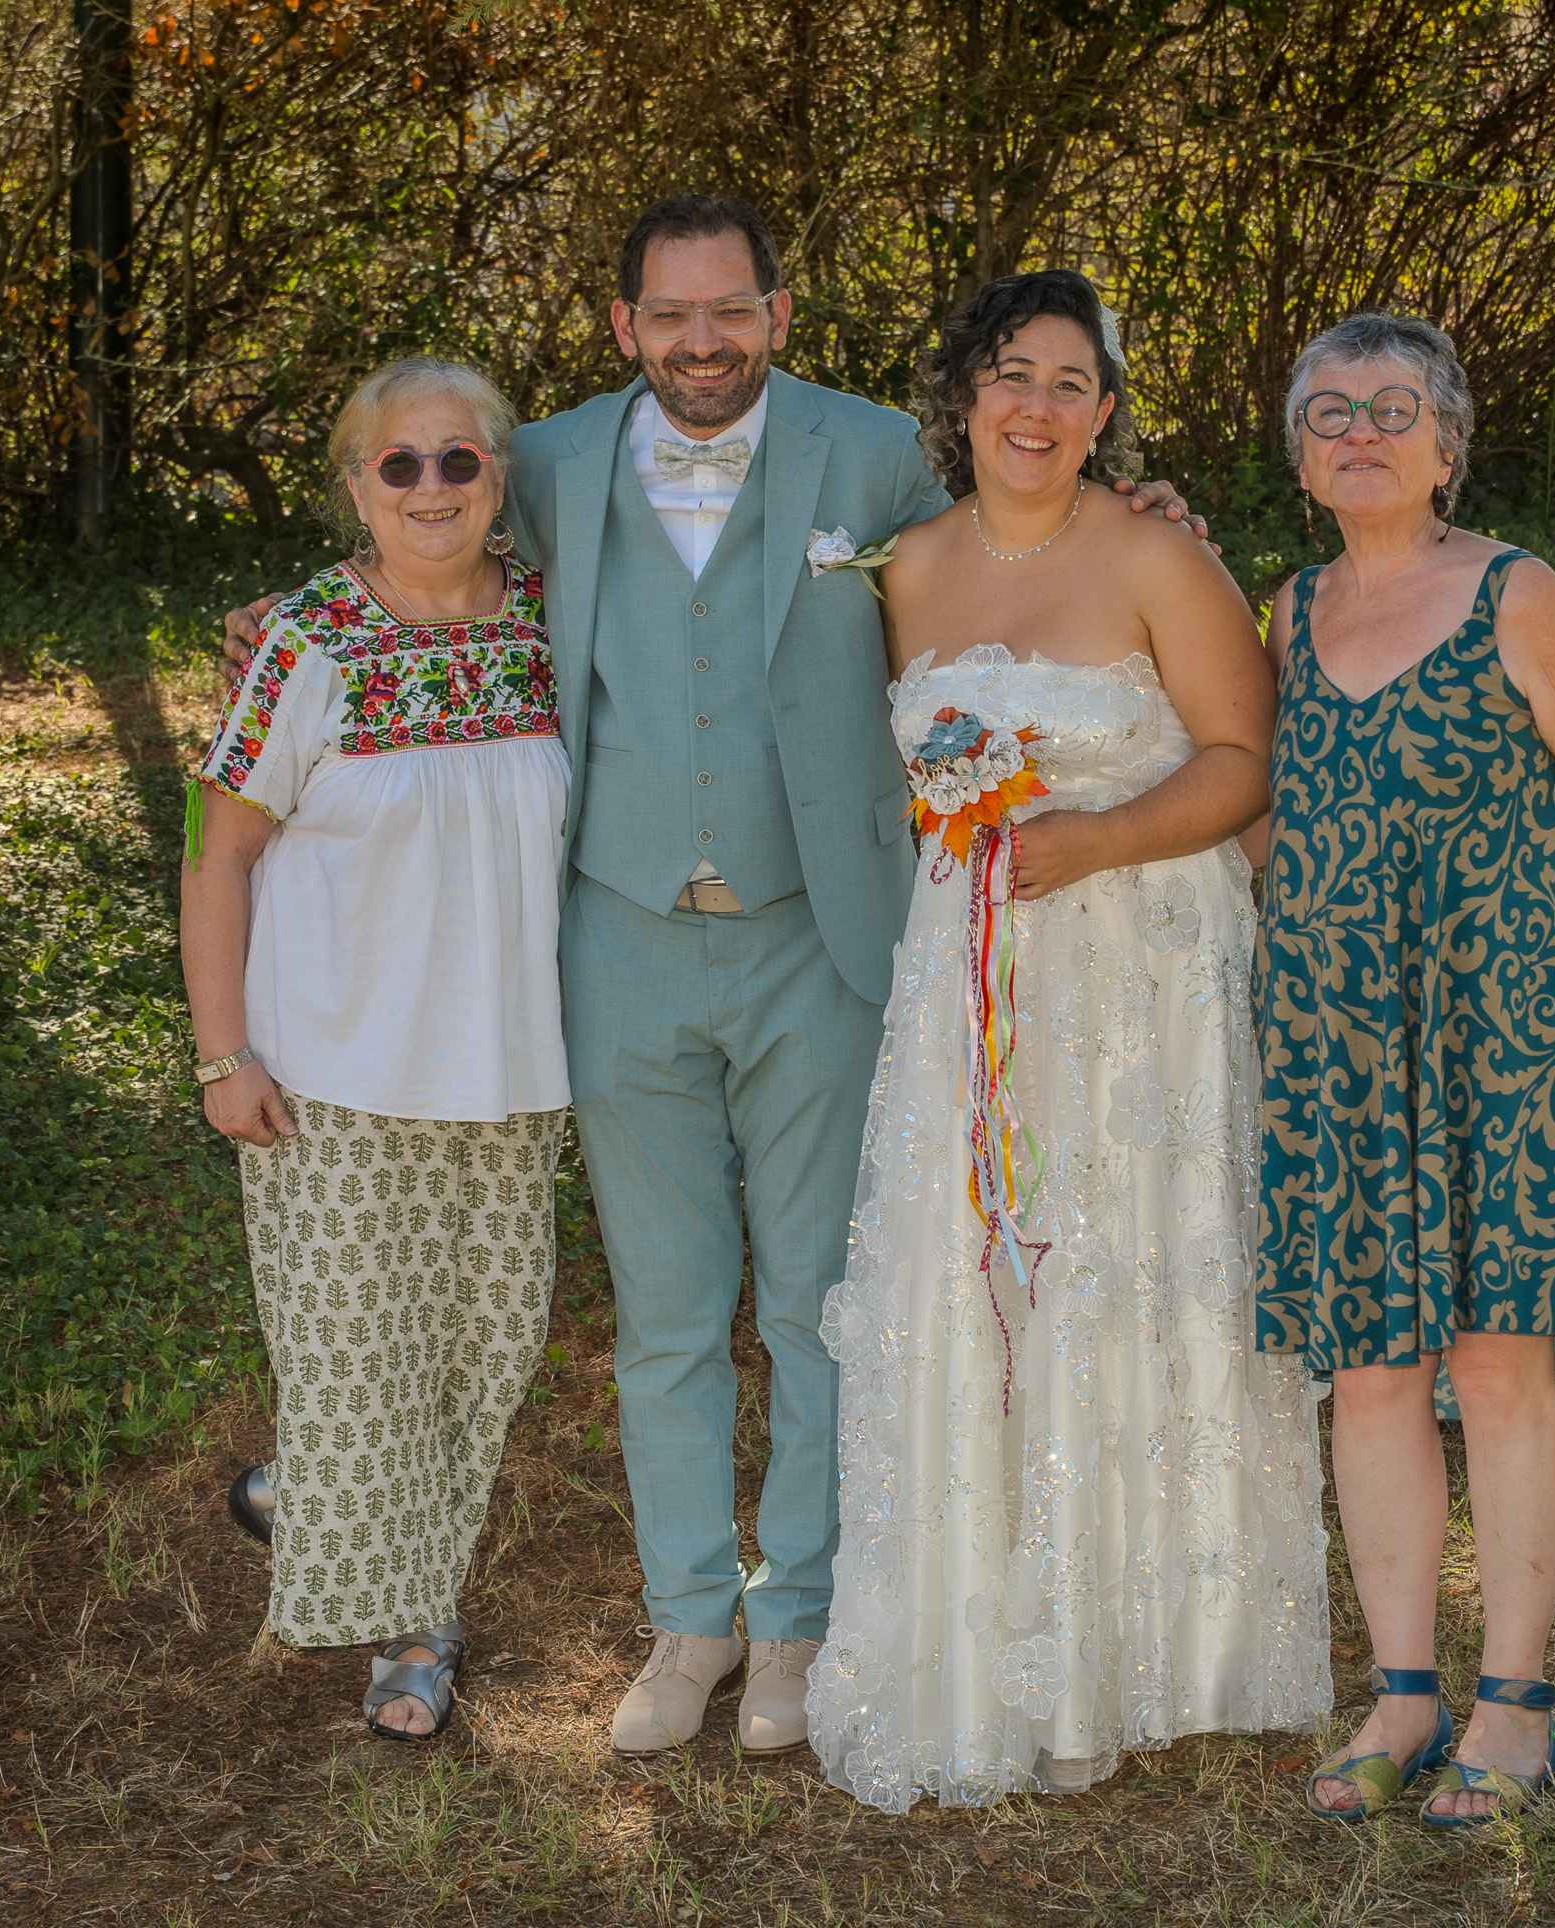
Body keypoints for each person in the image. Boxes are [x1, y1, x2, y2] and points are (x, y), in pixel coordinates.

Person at [217, 197, 1209, 1760]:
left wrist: (1142, 508)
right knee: (668, 1313)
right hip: (615, 940)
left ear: (778, 315)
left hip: (819, 929)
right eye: (671, 314)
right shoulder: (545, 461)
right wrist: (295, 612)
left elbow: (1013, 534)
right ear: (625, 327)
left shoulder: (873, 453)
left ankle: (799, 1620)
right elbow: (424, 535)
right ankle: (688, 1619)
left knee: (820, 1303)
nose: (701, 341)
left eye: (730, 309)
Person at [804, 269, 1333, 1813]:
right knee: (984, 1277)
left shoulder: (1157, 553)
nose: (1037, 407)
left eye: (1071, 383)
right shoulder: (903, 570)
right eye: (1011, 375)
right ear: (963, 396)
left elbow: (1245, 761)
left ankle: (1159, 1639)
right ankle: (998, 1634)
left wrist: (1097, 840)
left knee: (1131, 1263)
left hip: (1142, 970)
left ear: (1104, 414)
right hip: (968, 982)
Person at [1250, 313, 1555, 1829]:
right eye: (1329, 413)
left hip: (1508, 1039)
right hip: (1341, 1046)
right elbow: (1266, 808)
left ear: (1447, 444)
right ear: (1302, 457)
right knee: (1371, 1366)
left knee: (1497, 1362)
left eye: (1392, 408)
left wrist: (1520, 965)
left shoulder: (1516, 592)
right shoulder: (1286, 613)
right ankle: (1403, 1695)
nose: (1360, 432)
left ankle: (1516, 1704)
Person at [181, 356, 572, 1741]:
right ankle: (416, 1630)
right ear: (356, 486)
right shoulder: (303, 642)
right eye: (399, 463)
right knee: (362, 1363)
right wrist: (223, 1055)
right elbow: (218, 854)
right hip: (333, 1073)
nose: (431, 487)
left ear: (500, 476)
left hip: (512, 1071)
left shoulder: (553, 619)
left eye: (459, 459)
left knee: (482, 1359)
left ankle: (316, 1496)